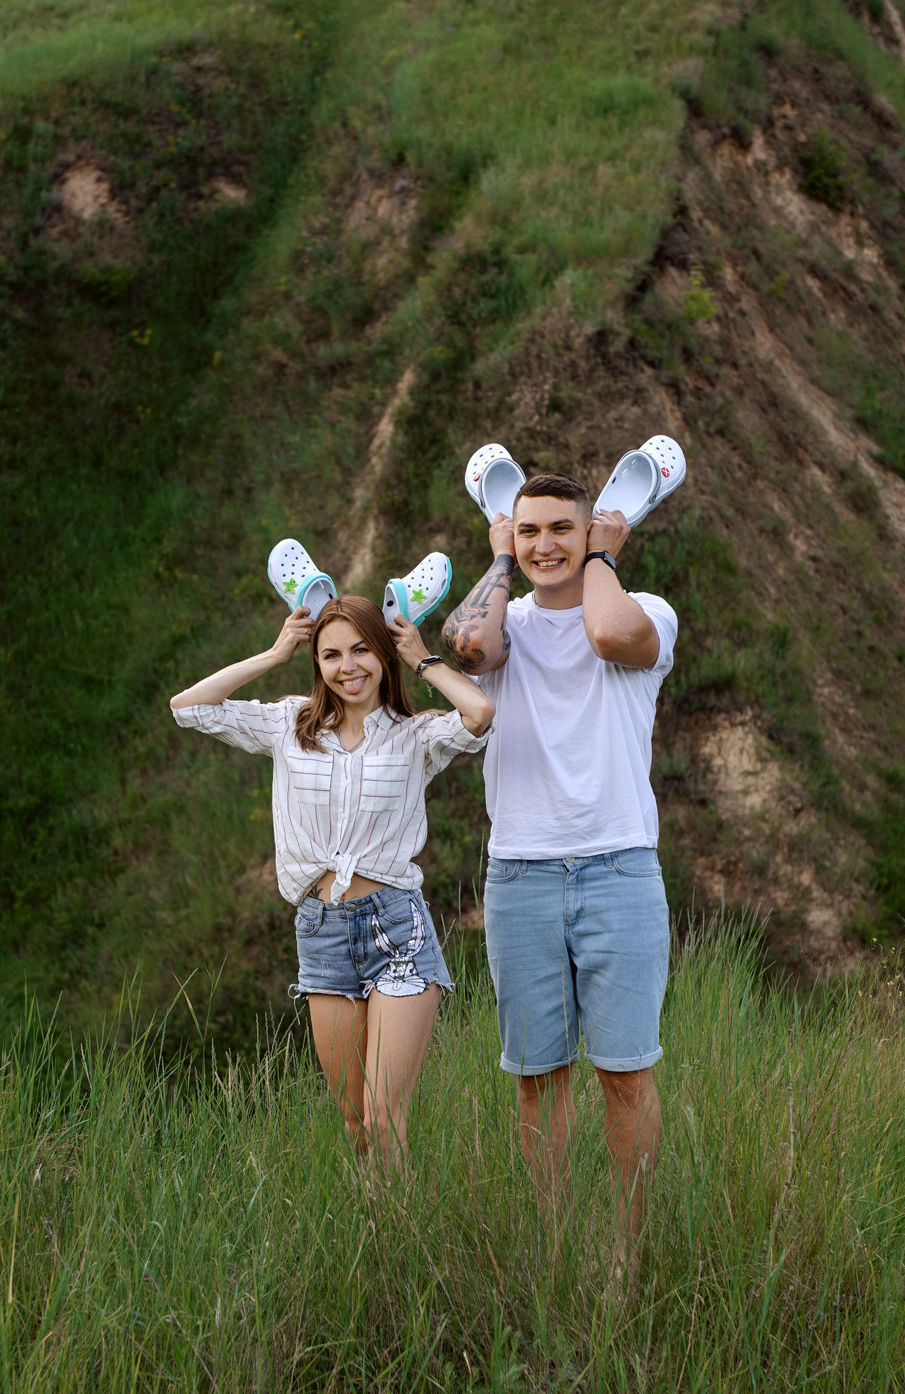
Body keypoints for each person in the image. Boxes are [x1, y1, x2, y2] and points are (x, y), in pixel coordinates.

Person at [438, 472, 677, 1266]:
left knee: (626, 1076)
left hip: (620, 871)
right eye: (529, 529)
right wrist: (499, 558)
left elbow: (610, 638)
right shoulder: (500, 621)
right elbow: (466, 647)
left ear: (593, 534)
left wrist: (605, 556)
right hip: (522, 878)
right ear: (509, 535)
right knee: (538, 1079)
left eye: (562, 530)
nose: (545, 544)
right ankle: (553, 1243)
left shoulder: (645, 615)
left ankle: (628, 1250)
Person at [169, 593, 494, 1169]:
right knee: (354, 1120)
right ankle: (377, 1237)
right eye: (332, 655)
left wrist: (422, 658)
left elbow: (478, 714)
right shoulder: (288, 724)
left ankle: (400, 1249)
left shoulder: (414, 735)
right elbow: (189, 706)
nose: (349, 667)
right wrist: (275, 654)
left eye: (362, 650)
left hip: (397, 929)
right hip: (320, 932)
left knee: (384, 1115)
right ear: (316, 664)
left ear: (383, 654)